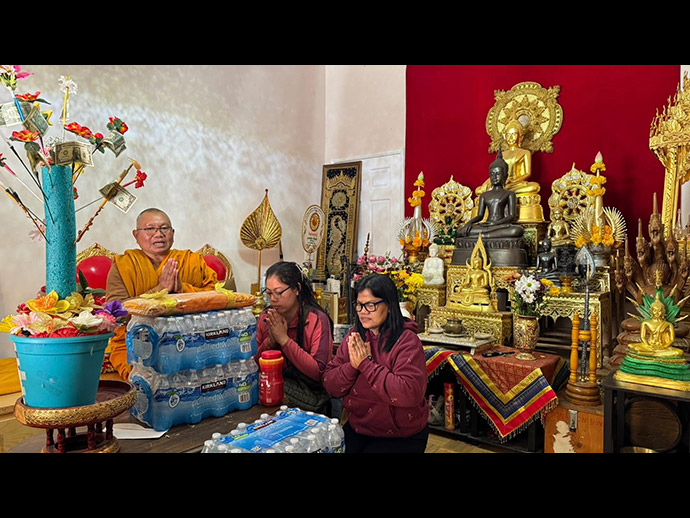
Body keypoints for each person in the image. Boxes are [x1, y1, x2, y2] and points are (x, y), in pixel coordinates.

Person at [105, 208, 220, 380]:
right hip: (136, 342)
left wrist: (182, 290)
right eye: (150, 229)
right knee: (143, 381)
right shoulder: (124, 266)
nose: (158, 234)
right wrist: (160, 290)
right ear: (136, 235)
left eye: (164, 228)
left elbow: (217, 299)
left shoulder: (192, 261)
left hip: (191, 339)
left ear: (172, 233)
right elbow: (116, 314)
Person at [323, 274, 429, 453]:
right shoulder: (354, 337)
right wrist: (353, 366)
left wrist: (365, 364)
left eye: (371, 305)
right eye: (359, 305)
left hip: (401, 434)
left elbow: (409, 393)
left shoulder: (407, 341)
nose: (363, 311)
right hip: (359, 427)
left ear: (389, 306)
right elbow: (330, 385)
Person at [255, 261, 333, 413]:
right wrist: (270, 341)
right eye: (269, 293)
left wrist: (284, 340)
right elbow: (253, 366)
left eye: (279, 292)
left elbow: (318, 372)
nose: (273, 299)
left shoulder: (315, 319)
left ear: (297, 289)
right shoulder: (267, 317)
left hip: (311, 394)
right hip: (274, 390)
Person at [459, 150, 524, 239]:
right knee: (460, 231)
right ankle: (485, 235)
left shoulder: (509, 194)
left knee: (517, 230)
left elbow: (511, 216)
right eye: (492, 174)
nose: (494, 177)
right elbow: (480, 216)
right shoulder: (484, 195)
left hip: (500, 226)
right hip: (487, 225)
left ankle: (483, 236)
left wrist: (496, 223)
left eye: (497, 174)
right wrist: (468, 223)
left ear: (505, 176)